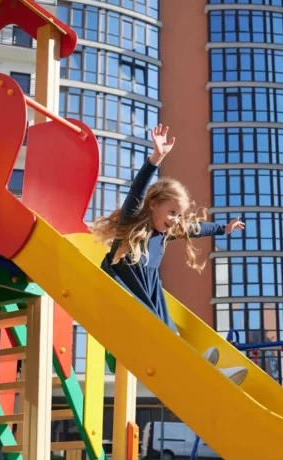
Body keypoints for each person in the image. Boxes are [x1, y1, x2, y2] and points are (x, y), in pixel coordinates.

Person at [91, 124, 248, 385]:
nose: (175, 219)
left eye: (179, 214)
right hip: (121, 295)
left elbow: (195, 228)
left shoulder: (164, 233)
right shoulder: (131, 225)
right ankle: (199, 366)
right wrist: (156, 159)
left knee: (170, 333)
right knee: (161, 334)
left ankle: (205, 372)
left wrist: (225, 228)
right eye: (172, 212)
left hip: (146, 293)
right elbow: (135, 192)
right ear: (153, 204)